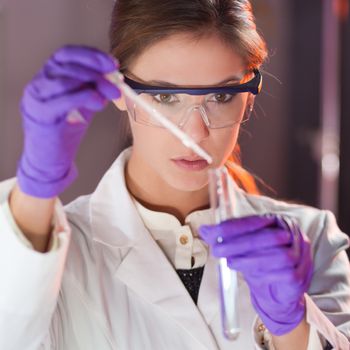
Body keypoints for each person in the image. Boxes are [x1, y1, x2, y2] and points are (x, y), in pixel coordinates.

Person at [0, 1, 349, 349]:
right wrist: (35, 188)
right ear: (119, 91)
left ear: (250, 92)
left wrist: (293, 326)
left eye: (223, 95)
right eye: (165, 95)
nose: (196, 133)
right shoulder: (57, 258)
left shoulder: (312, 241)